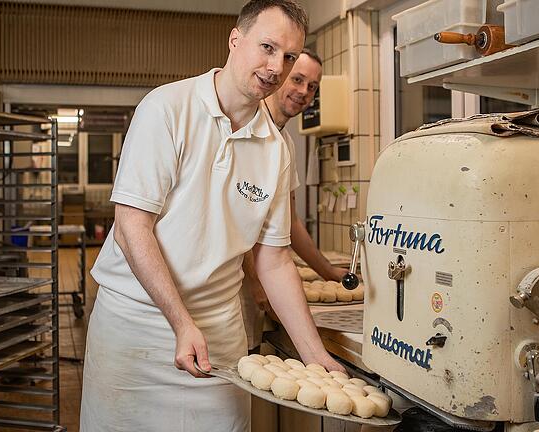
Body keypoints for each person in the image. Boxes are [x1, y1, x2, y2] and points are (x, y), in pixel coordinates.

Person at [80, 1, 344, 431]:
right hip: (136, 329)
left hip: (218, 337)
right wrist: (181, 323)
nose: (277, 66)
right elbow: (132, 229)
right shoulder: (167, 108)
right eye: (267, 47)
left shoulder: (276, 150)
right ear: (235, 39)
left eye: (289, 56)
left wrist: (314, 355)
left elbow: (273, 260)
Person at [240, 49, 346, 348]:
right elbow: (238, 219)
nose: (303, 92)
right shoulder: (247, 129)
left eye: (312, 86)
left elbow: (290, 221)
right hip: (231, 283)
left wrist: (327, 272)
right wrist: (255, 281)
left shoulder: (285, 143)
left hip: (257, 280)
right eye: (297, 79)